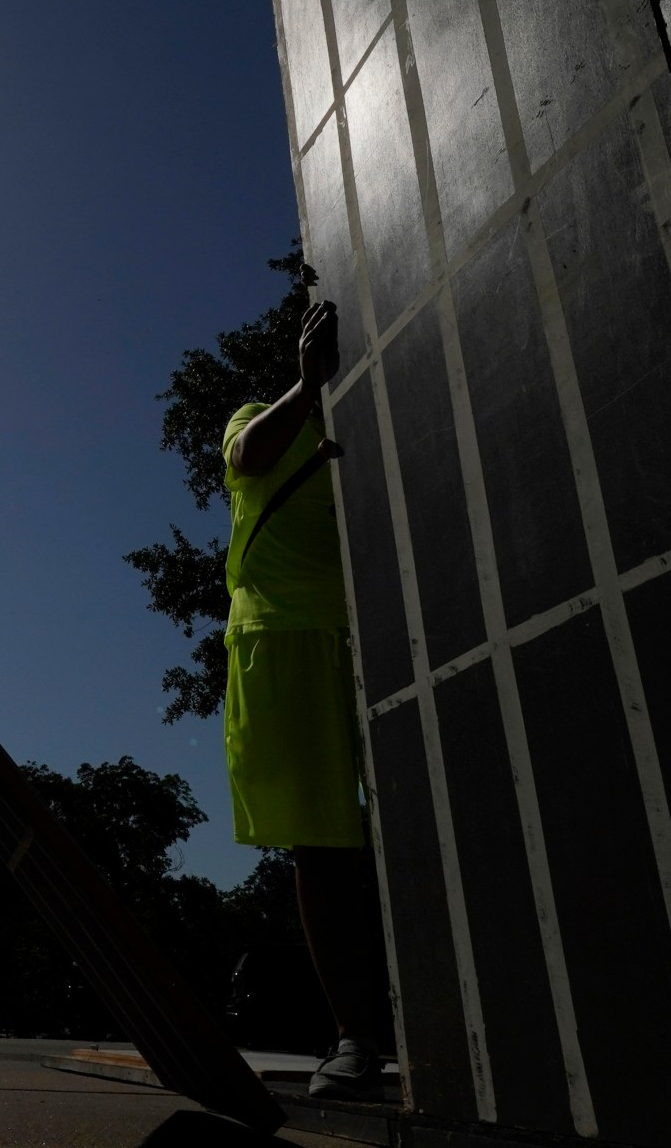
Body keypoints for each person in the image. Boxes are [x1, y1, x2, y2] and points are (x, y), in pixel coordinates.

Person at [221, 299, 391, 1101]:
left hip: (383, 635)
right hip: (288, 642)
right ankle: (356, 1035)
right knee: (324, 845)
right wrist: (306, 386)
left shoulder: (386, 408)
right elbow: (250, 457)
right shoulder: (262, 412)